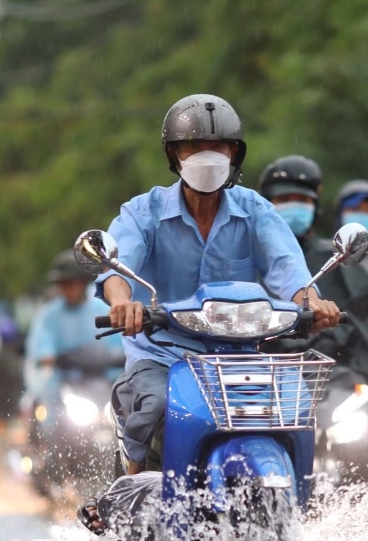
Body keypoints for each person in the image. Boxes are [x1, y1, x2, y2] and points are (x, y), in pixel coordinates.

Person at [98, 93, 340, 475]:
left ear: (234, 154)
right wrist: (122, 303)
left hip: (238, 355)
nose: (207, 157)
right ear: (174, 155)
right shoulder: (144, 211)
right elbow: (117, 267)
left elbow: (289, 269)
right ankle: (130, 483)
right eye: (194, 147)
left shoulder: (255, 210)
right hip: (161, 354)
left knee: (292, 410)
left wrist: (312, 301)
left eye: (218, 147)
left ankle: (300, 495)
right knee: (157, 405)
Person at [258, 155, 368, 440]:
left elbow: (366, 328)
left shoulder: (334, 258)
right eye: (284, 199)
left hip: (329, 374)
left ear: (316, 205)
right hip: (256, 369)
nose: (293, 206)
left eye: (302, 200)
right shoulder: (245, 255)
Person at [25, 250, 123, 417]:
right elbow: (42, 350)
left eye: (71, 283)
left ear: (83, 282)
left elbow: (121, 345)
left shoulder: (104, 309)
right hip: (65, 386)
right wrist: (51, 358)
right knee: (46, 411)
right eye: (62, 284)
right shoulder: (49, 315)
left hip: (104, 381)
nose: (66, 289)